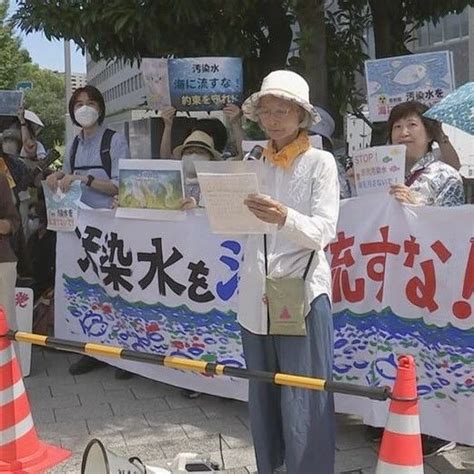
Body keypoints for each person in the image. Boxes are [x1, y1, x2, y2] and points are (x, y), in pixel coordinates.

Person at [240, 70, 340, 473]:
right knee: (262, 395)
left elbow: (325, 230)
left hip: (302, 294)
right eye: (266, 111)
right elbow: (238, 225)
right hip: (254, 298)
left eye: (282, 110)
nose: (273, 118)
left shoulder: (321, 162)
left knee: (304, 396)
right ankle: (271, 468)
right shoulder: (253, 162)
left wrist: (285, 218)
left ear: (301, 114)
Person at [46, 85, 131, 378]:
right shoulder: (73, 144)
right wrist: (58, 178)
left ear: (100, 108)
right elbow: (67, 179)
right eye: (78, 103)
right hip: (80, 228)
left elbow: (122, 185)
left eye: (90, 102)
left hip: (109, 225)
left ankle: (125, 354)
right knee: (89, 288)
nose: (84, 108)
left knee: (117, 288)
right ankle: (93, 349)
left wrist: (84, 178)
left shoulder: (114, 140)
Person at [387, 101, 464, 208]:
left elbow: (452, 221)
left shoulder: (447, 176)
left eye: (412, 124)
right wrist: (356, 184)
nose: (403, 133)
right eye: (397, 126)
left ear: (429, 135)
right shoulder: (380, 174)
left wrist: (415, 208)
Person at [0, 172, 21, 355]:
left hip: (2, 261)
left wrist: (2, 225)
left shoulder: (0, 178)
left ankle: (13, 382)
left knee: (6, 327)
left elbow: (13, 221)